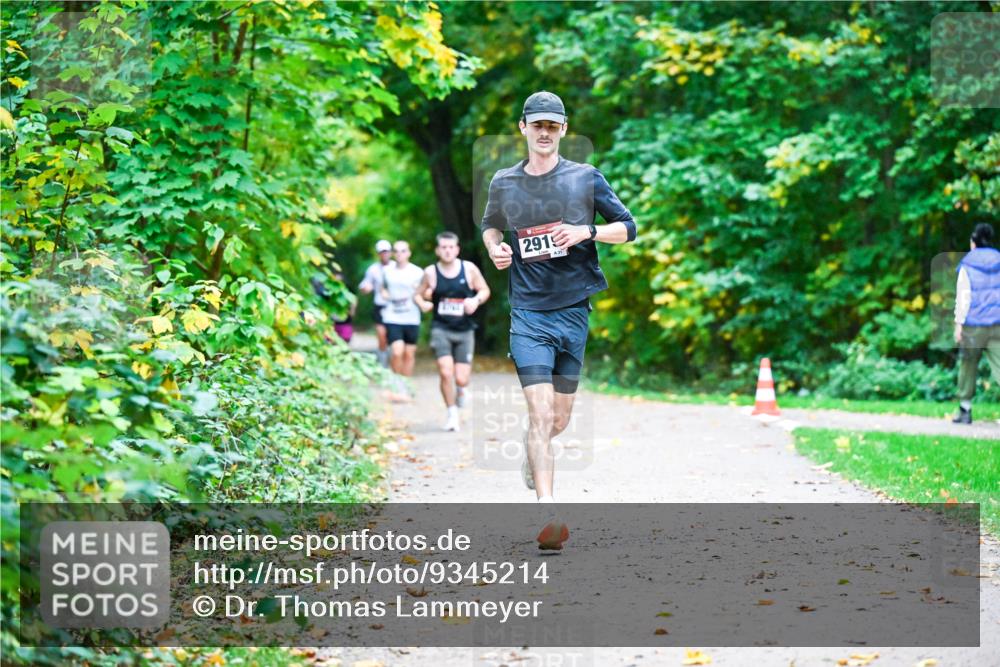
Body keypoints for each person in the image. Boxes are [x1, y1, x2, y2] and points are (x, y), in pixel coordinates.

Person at [480, 91, 637, 549]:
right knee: (540, 412)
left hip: (574, 311)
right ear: (523, 128)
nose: (545, 132)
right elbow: (490, 224)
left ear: (564, 129)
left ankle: (536, 450)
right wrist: (494, 246)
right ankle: (549, 514)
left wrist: (587, 231)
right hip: (528, 312)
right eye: (537, 124)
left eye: (553, 125)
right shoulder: (504, 183)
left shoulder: (585, 178)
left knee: (559, 419)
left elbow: (629, 227)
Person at [414, 232, 491, 432]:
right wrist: (423, 304)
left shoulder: (469, 269)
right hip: (441, 329)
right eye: (444, 247)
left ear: (457, 249)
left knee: (461, 378)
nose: (447, 251)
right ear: (438, 250)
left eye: (451, 247)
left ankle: (462, 390)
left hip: (465, 330)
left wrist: (475, 300)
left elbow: (484, 290)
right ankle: (452, 414)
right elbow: (417, 295)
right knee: (445, 372)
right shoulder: (431, 272)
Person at [952, 222, 1000, 424]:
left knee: (968, 365)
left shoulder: (968, 264)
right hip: (998, 322)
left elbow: (963, 296)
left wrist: (958, 324)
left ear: (973, 242)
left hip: (974, 324)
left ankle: (965, 410)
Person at [380, 240, 425, 393]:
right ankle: (396, 381)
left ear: (409, 253)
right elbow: (382, 289)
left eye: (403, 251)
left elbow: (426, 291)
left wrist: (420, 293)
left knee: (409, 353)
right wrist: (386, 295)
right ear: (393, 254)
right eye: (397, 251)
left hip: (412, 317)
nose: (400, 254)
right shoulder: (387, 271)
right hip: (393, 317)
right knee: (397, 351)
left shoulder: (418, 272)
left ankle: (405, 385)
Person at [358, 240, 394, 366]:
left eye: (386, 252)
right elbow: (365, 284)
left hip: (394, 306)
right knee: (381, 335)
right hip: (380, 305)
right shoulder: (373, 269)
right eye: (381, 252)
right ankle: (383, 363)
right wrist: (366, 288)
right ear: (378, 254)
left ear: (391, 253)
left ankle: (393, 360)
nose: (384, 255)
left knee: (394, 336)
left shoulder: (396, 267)